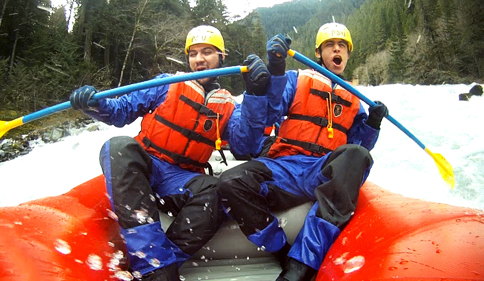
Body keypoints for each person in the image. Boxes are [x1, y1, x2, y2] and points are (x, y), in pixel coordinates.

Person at [69, 25, 287, 280]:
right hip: (147, 165)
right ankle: (155, 266)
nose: (199, 59)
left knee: (218, 191)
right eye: (193, 53)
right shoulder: (166, 84)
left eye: (207, 52)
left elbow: (244, 144)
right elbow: (120, 111)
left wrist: (255, 96)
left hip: (181, 179)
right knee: (117, 146)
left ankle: (160, 264)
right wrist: (95, 103)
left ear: (222, 57)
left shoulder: (228, 105)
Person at [217, 22, 389, 281]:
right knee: (231, 182)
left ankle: (299, 267)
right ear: (319, 54)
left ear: (348, 55)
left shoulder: (354, 98)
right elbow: (272, 112)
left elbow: (357, 148)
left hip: (322, 171)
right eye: (330, 45)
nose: (337, 49)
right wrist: (277, 72)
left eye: (342, 46)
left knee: (357, 155)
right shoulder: (297, 79)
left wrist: (372, 124)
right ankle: (279, 248)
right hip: (285, 166)